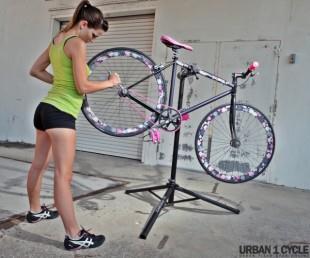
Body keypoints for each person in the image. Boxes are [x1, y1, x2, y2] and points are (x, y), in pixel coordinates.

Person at [26, 0, 120, 251]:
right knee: (63, 177)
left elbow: (35, 70)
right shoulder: (77, 42)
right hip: (61, 115)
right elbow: (83, 87)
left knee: (39, 164)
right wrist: (110, 82)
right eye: (93, 35)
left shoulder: (59, 38)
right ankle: (74, 235)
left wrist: (60, 82)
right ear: (84, 24)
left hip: (44, 110)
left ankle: (35, 211)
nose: (92, 40)